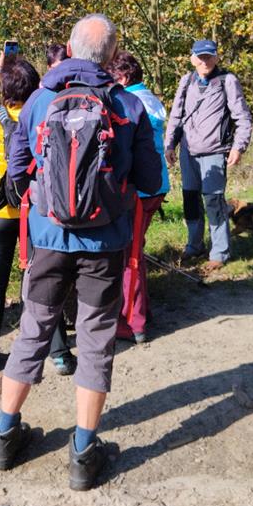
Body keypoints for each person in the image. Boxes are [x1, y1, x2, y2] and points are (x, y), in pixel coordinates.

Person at [0, 15, 162, 490]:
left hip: (46, 240)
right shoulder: (127, 105)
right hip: (104, 244)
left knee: (33, 329)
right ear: (111, 55)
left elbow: (17, 172)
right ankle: (84, 453)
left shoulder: (40, 101)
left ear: (68, 48)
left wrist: (47, 200)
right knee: (95, 336)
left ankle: (6, 437)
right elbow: (149, 179)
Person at [0, 51, 76, 376]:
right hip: (37, 213)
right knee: (46, 281)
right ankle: (59, 354)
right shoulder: (44, 115)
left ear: (5, 93)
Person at [164, 39, 253, 272]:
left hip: (215, 152)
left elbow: (242, 118)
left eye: (209, 56)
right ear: (192, 58)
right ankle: (194, 246)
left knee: (213, 200)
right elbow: (176, 115)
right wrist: (169, 144)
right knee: (190, 199)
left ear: (216, 57)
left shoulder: (227, 81)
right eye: (200, 57)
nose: (205, 61)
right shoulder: (186, 81)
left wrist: (238, 147)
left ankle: (219, 253)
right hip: (188, 152)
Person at [106, 50, 169, 344]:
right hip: (156, 186)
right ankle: (142, 311)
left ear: (123, 76)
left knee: (130, 256)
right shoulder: (150, 98)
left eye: (111, 76)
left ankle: (134, 322)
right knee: (136, 251)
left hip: (140, 190)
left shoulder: (129, 102)